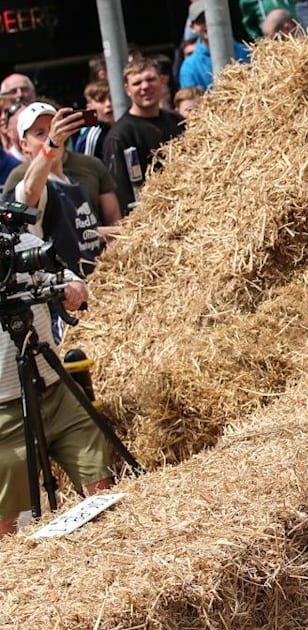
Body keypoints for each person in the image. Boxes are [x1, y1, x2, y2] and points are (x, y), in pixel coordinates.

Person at [0, 219, 107, 537]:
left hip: (55, 389)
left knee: (98, 471)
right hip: (5, 411)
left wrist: (72, 290)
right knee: (5, 520)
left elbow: (69, 279)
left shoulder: (18, 241)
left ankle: (106, 548)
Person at [8, 103, 111, 278]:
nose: (50, 136)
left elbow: (82, 233)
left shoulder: (70, 181)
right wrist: (52, 143)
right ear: (24, 145)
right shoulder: (36, 184)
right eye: (41, 133)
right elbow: (29, 191)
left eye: (53, 128)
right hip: (67, 293)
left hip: (97, 286)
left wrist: (132, 230)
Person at [102, 57, 186, 216]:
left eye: (150, 79)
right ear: (127, 89)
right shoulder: (120, 136)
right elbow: (121, 194)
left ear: (162, 81)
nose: (145, 86)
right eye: (137, 83)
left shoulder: (177, 121)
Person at [179, 3, 252, 92]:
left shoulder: (245, 51)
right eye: (201, 20)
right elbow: (191, 101)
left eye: (211, 17)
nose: (209, 23)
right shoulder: (189, 67)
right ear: (192, 28)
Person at [71, 80, 115, 159]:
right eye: (101, 100)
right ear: (89, 107)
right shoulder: (92, 136)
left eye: (112, 99)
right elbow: (87, 167)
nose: (108, 104)